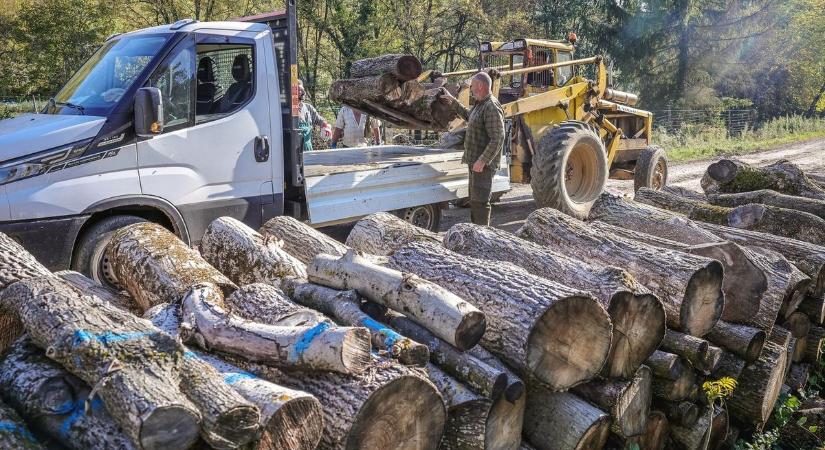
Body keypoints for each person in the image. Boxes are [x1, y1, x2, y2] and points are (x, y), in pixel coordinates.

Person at [439, 72, 505, 226]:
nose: (471, 90)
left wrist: (482, 160)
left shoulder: (491, 106)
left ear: (481, 86)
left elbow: (498, 138)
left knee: (480, 202)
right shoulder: (481, 104)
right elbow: (470, 117)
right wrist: (453, 101)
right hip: (476, 163)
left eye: (473, 87)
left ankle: (482, 236)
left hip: (483, 166)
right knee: (475, 201)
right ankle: (477, 234)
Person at [297, 79, 332, 151]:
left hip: (308, 149)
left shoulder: (308, 108)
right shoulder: (286, 110)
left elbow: (320, 120)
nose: (300, 92)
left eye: (301, 89)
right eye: (297, 90)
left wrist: (325, 126)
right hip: (294, 151)